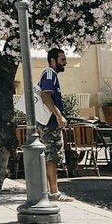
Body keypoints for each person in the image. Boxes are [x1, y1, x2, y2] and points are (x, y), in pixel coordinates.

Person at [38, 47, 71, 202]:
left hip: (48, 122)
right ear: (53, 60)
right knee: (52, 157)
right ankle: (53, 192)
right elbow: (45, 95)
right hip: (49, 123)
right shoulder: (50, 74)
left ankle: (50, 191)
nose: (65, 62)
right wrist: (59, 115)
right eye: (62, 60)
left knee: (51, 156)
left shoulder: (50, 74)